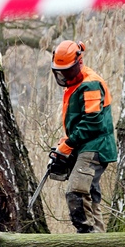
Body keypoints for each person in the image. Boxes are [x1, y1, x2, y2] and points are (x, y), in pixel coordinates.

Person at [49, 40, 117, 233]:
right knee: (90, 192)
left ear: (79, 62)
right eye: (61, 71)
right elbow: (82, 122)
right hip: (85, 145)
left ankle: (87, 236)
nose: (65, 75)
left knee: (77, 191)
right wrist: (67, 141)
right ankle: (99, 240)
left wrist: (69, 143)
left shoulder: (91, 85)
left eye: (68, 71)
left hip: (96, 146)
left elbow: (93, 122)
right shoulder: (76, 85)